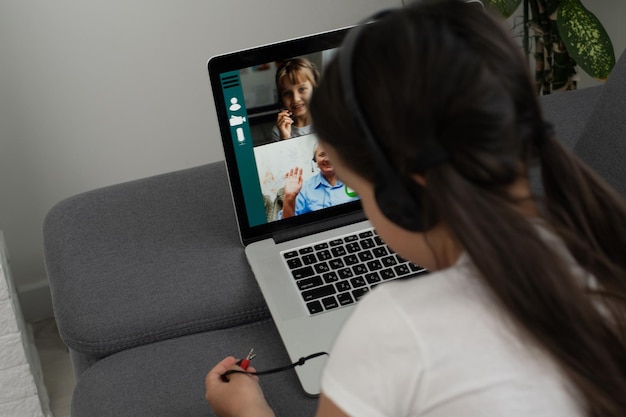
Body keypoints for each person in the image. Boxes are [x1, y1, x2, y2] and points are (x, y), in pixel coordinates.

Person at [205, 1, 626, 416]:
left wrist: (246, 412)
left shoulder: (390, 329)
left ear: (401, 197)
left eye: (361, 192)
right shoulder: (601, 254)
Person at [280, 143, 359, 218]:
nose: (328, 159)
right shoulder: (304, 189)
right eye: (322, 154)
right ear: (315, 161)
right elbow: (285, 225)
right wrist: (289, 198)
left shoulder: (357, 181)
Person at [271, 58, 320, 141]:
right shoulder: (278, 131)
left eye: (302, 89)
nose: (295, 99)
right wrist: (285, 138)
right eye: (287, 93)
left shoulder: (328, 120)